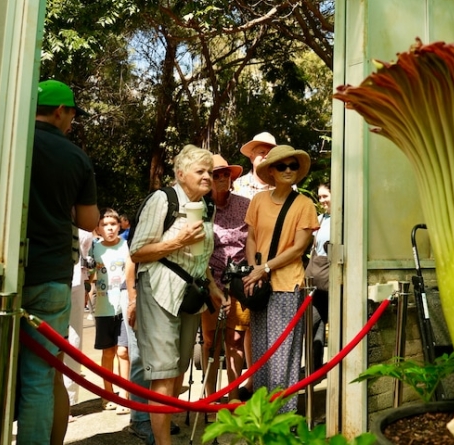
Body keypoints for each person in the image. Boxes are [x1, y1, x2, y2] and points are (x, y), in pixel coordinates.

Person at [18, 79, 99, 445]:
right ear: (60, 111)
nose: (71, 122)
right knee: (39, 377)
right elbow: (87, 221)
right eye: (71, 114)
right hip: (51, 274)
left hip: (6, 272)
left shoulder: (11, 140)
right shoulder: (76, 157)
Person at [129, 144, 228, 445]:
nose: (208, 177)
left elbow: (201, 257)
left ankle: (161, 432)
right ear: (181, 173)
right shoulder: (163, 200)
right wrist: (177, 241)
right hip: (159, 291)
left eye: (210, 172)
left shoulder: (207, 207)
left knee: (178, 371)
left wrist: (212, 288)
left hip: (190, 294)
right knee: (163, 374)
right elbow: (137, 252)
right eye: (201, 171)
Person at [240, 145, 319, 413]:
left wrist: (265, 268)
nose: (288, 170)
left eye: (293, 166)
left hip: (287, 285)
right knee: (261, 351)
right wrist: (254, 269)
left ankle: (284, 417)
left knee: (283, 353)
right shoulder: (258, 201)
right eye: (282, 166)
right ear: (271, 171)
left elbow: (299, 247)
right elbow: (251, 237)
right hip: (259, 284)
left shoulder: (304, 204)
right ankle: (263, 414)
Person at [200, 155, 251, 401]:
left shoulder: (245, 205)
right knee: (210, 341)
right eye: (216, 174)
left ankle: (233, 396)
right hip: (210, 283)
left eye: (225, 174)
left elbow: (253, 241)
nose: (221, 178)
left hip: (239, 282)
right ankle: (210, 398)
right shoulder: (200, 208)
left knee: (236, 339)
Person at [90, 208, 132, 414]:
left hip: (124, 307)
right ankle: (107, 394)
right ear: (98, 228)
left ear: (120, 226)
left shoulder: (127, 246)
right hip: (103, 308)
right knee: (108, 352)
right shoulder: (94, 249)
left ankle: (125, 395)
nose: (110, 228)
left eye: (113, 224)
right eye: (105, 225)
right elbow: (89, 276)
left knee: (123, 352)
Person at [65, 227, 93, 407]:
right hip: (73, 278)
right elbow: (86, 236)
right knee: (72, 339)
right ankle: (66, 400)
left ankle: (66, 400)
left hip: (70, 278)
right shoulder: (78, 216)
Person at [307, 183, 331, 371]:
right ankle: (313, 366)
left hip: (334, 282)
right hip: (317, 281)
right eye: (320, 197)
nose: (322, 201)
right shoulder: (320, 219)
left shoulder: (344, 221)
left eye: (325, 196)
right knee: (314, 322)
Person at [233, 132, 277, 199]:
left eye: (270, 153)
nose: (267, 156)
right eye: (262, 152)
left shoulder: (284, 186)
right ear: (251, 158)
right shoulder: (237, 187)